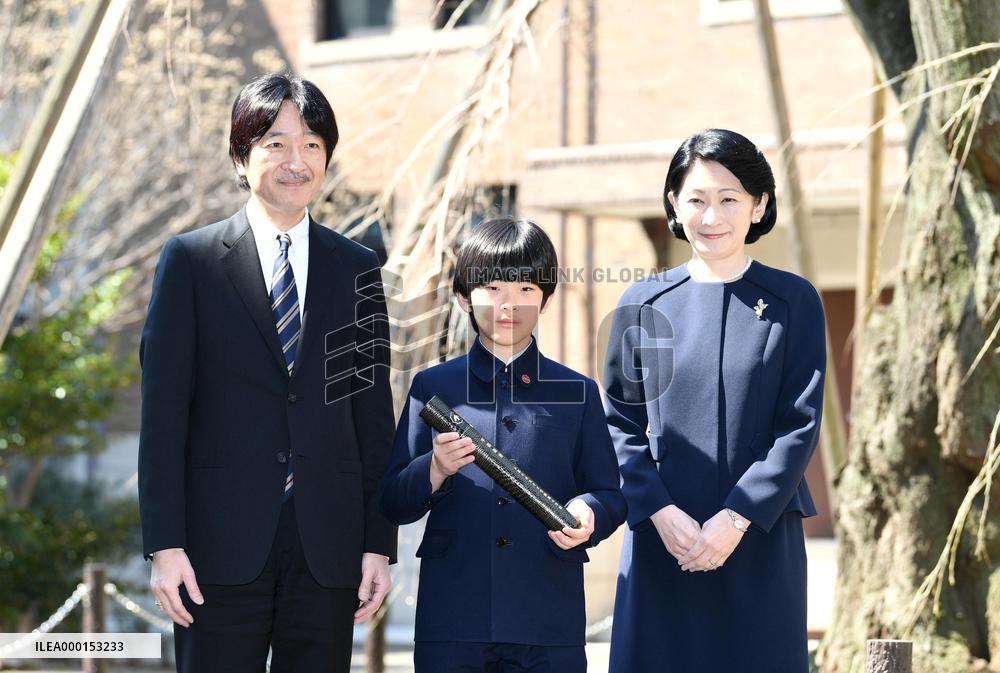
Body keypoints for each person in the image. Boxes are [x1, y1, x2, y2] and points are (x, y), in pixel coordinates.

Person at [137, 73, 397, 673]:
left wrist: (377, 544)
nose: (295, 160)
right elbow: (163, 415)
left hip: (327, 549)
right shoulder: (192, 261)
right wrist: (164, 543)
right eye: (275, 143)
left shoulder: (357, 269)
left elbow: (370, 418)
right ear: (241, 155)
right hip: (214, 550)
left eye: (311, 144)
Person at [603, 128, 826, 672]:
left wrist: (737, 518)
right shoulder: (642, 302)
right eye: (697, 199)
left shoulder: (792, 300)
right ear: (675, 205)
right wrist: (657, 510)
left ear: (759, 204)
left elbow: (799, 424)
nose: (712, 215)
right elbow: (618, 420)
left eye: (729, 199)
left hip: (759, 538)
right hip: (663, 540)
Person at [381, 218, 626, 673]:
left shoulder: (578, 391)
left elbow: (610, 494)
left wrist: (590, 511)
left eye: (527, 289)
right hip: (453, 618)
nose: (509, 305)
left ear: (547, 299)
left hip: (548, 617)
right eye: (491, 288)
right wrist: (433, 469)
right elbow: (394, 500)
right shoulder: (433, 387)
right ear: (462, 298)